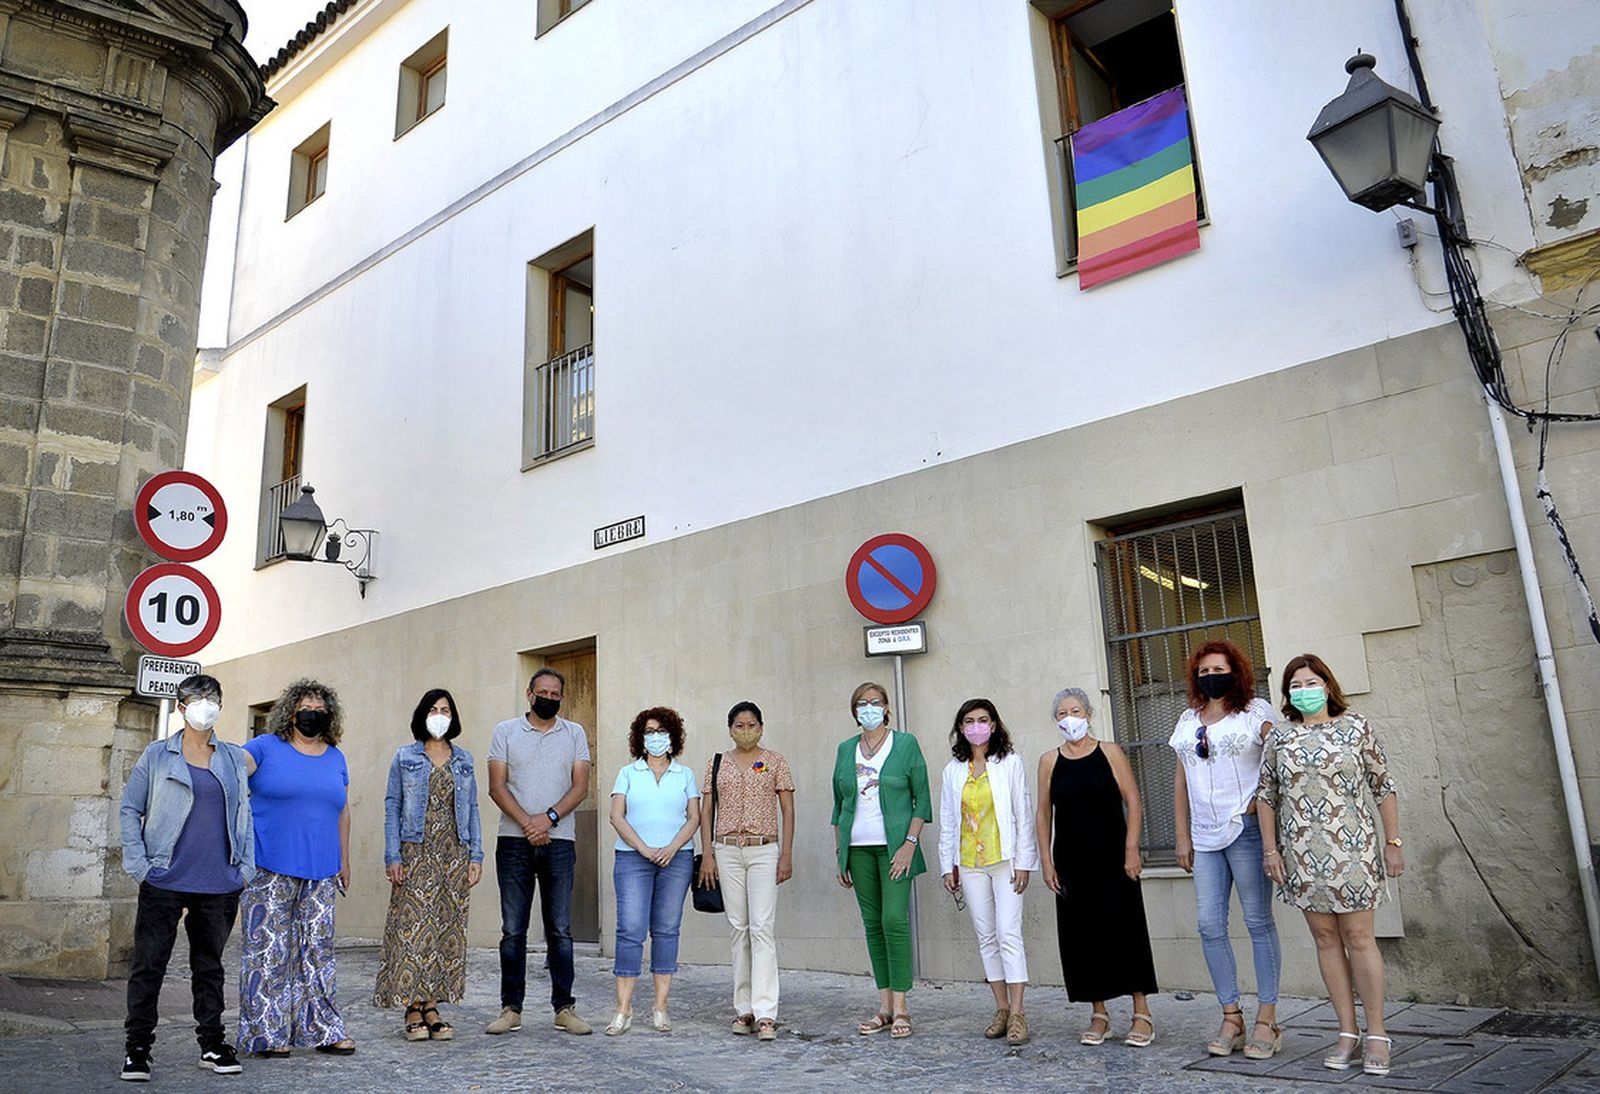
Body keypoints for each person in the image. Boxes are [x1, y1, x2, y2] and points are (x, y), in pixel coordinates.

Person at [1258, 654, 1404, 1076]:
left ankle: (1377, 1033)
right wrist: (1271, 850)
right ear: (1287, 694)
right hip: (1302, 854)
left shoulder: (1355, 727)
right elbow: (1266, 794)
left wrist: (1393, 842)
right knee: (1325, 939)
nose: (1304, 691)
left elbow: (1383, 785)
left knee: (1359, 937)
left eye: (1311, 682)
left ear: (1327, 685)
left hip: (1353, 851)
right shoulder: (1280, 737)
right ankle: (1347, 1032)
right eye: (1295, 685)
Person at [118, 674, 254, 1082]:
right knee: (149, 966)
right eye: (196, 699)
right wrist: (140, 865)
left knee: (209, 968)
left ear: (220, 706)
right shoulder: (158, 755)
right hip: (164, 878)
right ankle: (137, 1049)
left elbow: (244, 814)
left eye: (212, 698)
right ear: (181, 707)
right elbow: (130, 808)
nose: (205, 705)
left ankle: (212, 1045)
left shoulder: (232, 758)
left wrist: (244, 869)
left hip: (218, 882)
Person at [1169, 640, 1281, 1060]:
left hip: (1246, 830)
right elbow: (1181, 779)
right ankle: (1231, 1016)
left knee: (1257, 921)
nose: (1210, 676)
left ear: (1236, 671)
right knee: (1209, 924)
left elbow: (1279, 756)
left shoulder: (1254, 711)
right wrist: (1182, 835)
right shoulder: (1187, 719)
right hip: (1204, 836)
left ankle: (1267, 1019)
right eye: (1203, 671)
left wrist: (1263, 802)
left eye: (1218, 669)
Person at [237, 679, 357, 1056]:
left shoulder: (336, 757)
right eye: (306, 708)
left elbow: (342, 810)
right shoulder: (264, 747)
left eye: (320, 710)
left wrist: (344, 860)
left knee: (318, 952)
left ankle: (323, 1029)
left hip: (321, 869)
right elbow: (231, 773)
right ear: (290, 712)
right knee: (268, 950)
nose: (313, 715)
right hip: (268, 866)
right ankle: (267, 1034)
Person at [1037, 687, 1158, 1048]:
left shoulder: (1110, 752)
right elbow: (1043, 813)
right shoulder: (1049, 761)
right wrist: (1046, 861)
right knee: (1082, 936)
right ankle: (1099, 1013)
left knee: (1126, 929)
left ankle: (1141, 1012)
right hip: (1071, 860)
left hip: (1114, 857)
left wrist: (1132, 848)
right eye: (1062, 713)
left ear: (1089, 715)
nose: (1069, 718)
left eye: (1075, 711)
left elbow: (1133, 799)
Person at [485, 668, 593, 1036]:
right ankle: (510, 1009)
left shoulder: (574, 733)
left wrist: (547, 819)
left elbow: (580, 787)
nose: (548, 698)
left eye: (555, 693)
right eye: (542, 692)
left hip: (560, 843)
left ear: (561, 697)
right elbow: (497, 786)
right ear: (529, 694)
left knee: (560, 929)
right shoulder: (505, 732)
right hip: (512, 842)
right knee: (513, 930)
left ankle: (564, 1008)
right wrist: (528, 824)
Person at [374, 688, 485, 1041]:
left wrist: (476, 856)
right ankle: (412, 1007)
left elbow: (473, 808)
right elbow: (392, 805)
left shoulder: (464, 759)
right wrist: (393, 855)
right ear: (422, 714)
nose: (440, 715)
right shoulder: (405, 756)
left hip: (453, 853)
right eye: (434, 709)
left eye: (445, 710)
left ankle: (432, 1007)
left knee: (444, 930)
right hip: (415, 852)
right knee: (412, 929)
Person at [831, 680, 931, 1040]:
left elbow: (922, 799)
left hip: (895, 848)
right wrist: (840, 852)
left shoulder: (905, 744)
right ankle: (885, 1006)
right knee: (873, 924)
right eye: (862, 703)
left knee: (894, 920)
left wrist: (909, 844)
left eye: (875, 702)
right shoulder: (846, 749)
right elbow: (839, 804)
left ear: (886, 707)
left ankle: (902, 1007)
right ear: (854, 711)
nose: (869, 708)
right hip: (858, 849)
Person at [937, 698, 1038, 1046]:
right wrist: (947, 866)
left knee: (1008, 932)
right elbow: (948, 821)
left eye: (982, 720)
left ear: (993, 725)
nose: (976, 726)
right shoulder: (953, 770)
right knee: (986, 936)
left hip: (1005, 860)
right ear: (960, 727)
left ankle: (1019, 1012)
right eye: (969, 721)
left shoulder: (1009, 763)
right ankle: (1001, 1009)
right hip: (969, 864)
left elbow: (1023, 812)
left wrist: (1024, 861)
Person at [696, 701, 796, 1041]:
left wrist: (786, 854)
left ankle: (766, 1012)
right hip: (726, 849)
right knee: (738, 927)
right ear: (730, 729)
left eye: (752, 725)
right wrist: (708, 853)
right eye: (739, 725)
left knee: (762, 927)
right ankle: (744, 1007)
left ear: (761, 727)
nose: (746, 731)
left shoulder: (775, 761)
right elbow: (707, 809)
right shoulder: (717, 763)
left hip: (763, 849)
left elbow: (788, 809)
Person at [606, 707, 701, 1035]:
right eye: (649, 731)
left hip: (677, 859)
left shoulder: (684, 774)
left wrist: (672, 847)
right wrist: (644, 849)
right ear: (640, 738)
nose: (656, 737)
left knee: (666, 929)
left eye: (662, 731)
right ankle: (623, 1009)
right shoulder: (627, 773)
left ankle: (660, 1007)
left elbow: (694, 817)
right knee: (630, 929)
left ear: (673, 736)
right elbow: (616, 816)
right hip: (632, 859)